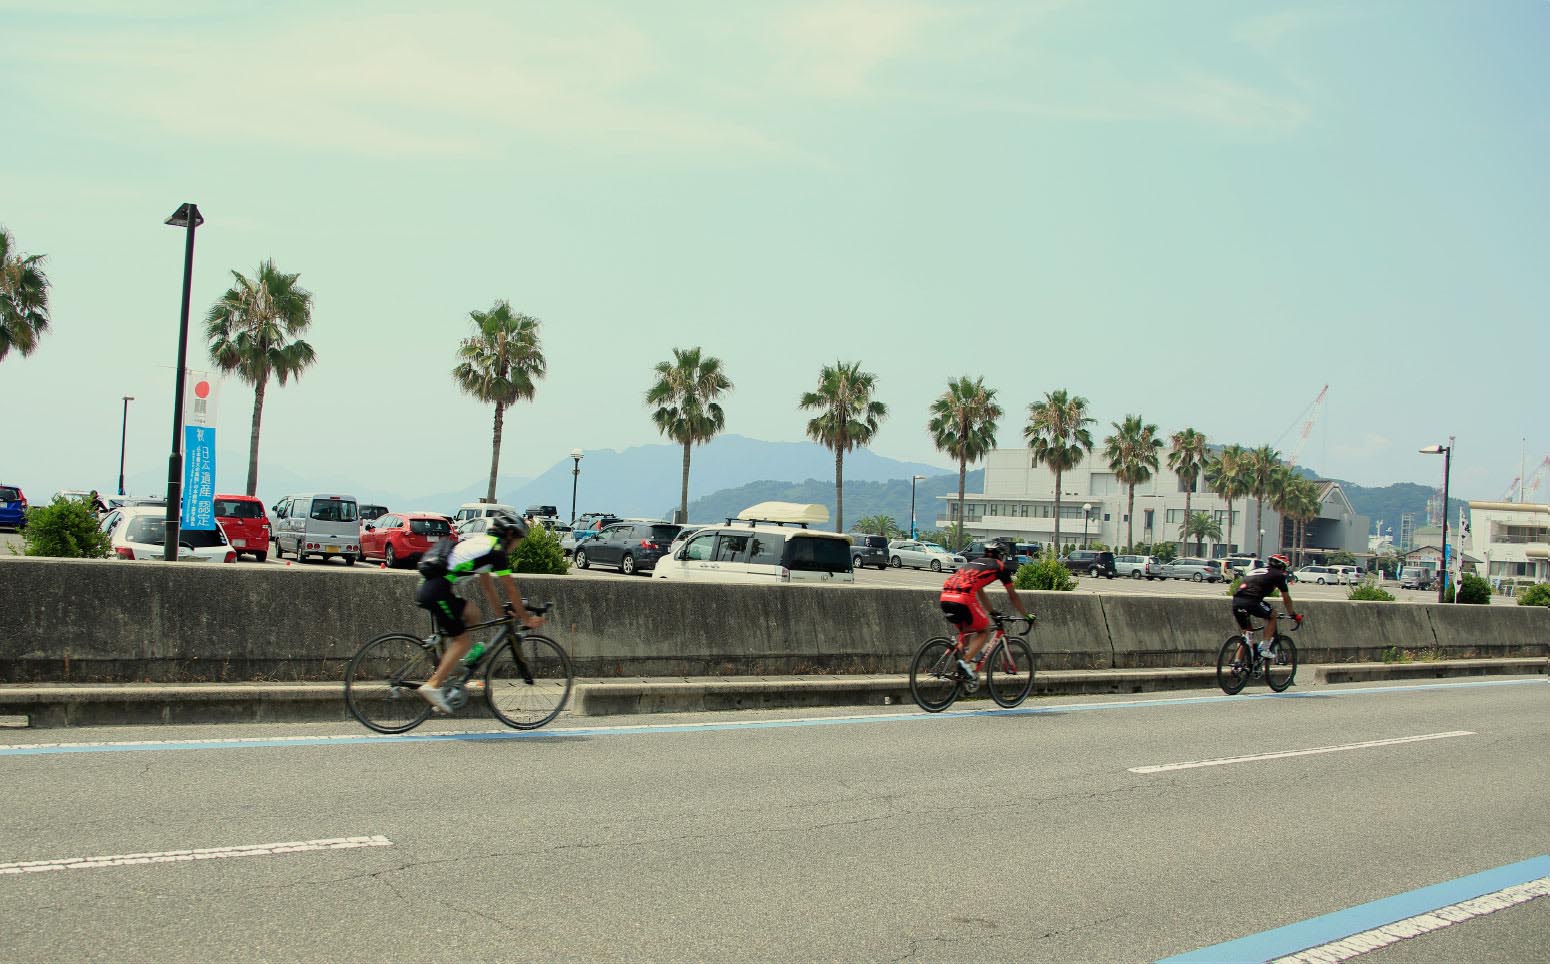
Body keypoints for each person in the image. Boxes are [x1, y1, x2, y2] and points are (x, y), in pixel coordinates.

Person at [414, 511, 543, 713]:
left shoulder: (484, 543)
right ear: (510, 534)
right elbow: (510, 587)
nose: (518, 545)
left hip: (434, 586)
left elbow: (488, 586)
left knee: (473, 613)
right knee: (462, 640)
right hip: (437, 591)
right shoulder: (497, 551)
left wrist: (502, 615)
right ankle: (433, 685)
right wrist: (527, 619)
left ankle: (452, 670)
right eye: (519, 539)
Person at [937, 543, 1033, 678]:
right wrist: (1026, 615)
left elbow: (980, 590)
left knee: (966, 633)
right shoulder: (1000, 566)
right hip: (963, 598)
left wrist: (992, 611)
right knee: (984, 630)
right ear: (1001, 556)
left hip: (945, 597)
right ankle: (965, 663)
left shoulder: (975, 563)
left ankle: (957, 673)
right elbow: (1013, 595)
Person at [1232, 553, 1302, 656]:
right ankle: (1264, 648)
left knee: (1247, 633)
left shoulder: (1255, 571)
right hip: (1252, 601)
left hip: (1237, 601)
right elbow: (1286, 598)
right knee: (1273, 615)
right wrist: (1293, 614)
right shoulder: (1278, 575)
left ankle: (1237, 664)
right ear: (1282, 566)